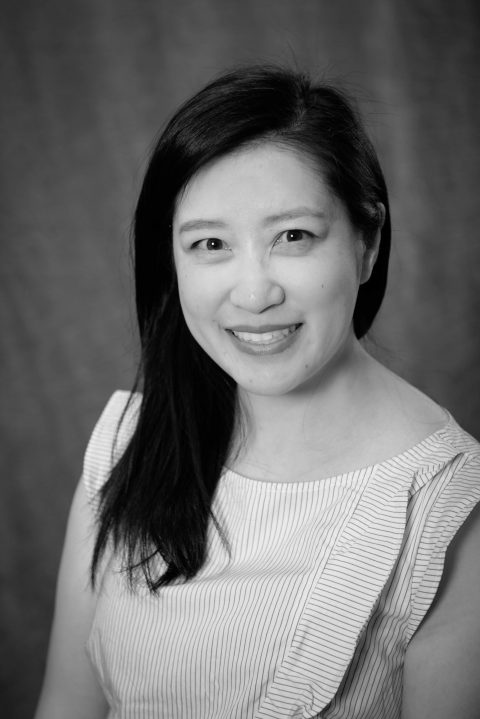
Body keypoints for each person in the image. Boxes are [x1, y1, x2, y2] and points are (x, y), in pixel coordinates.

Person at [35, 65, 480, 719]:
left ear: (368, 242)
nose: (253, 293)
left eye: (293, 236)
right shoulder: (128, 443)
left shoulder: (449, 507)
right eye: (210, 243)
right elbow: (66, 704)